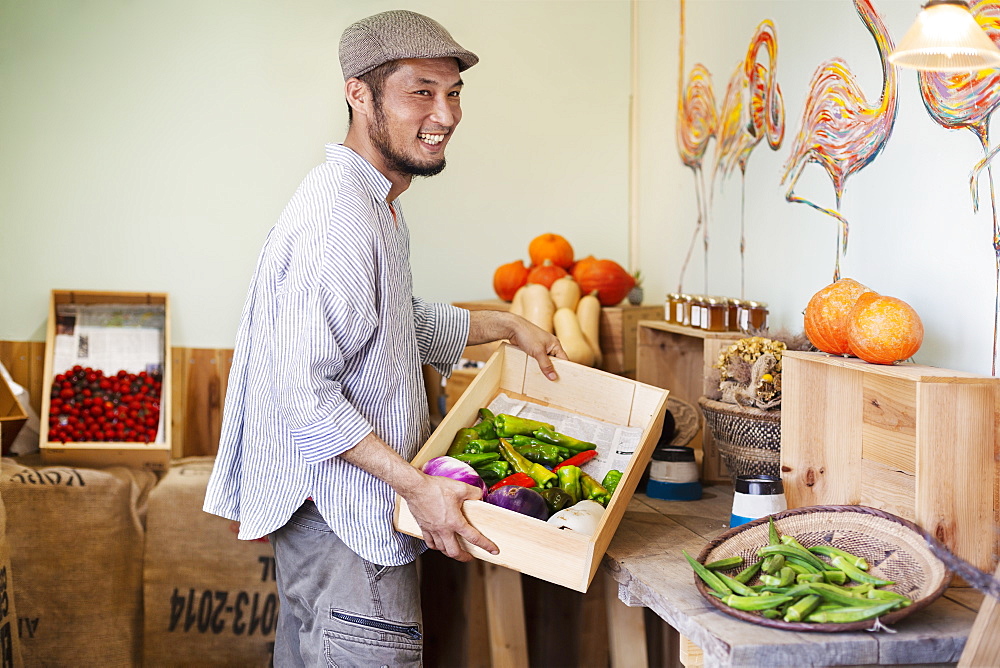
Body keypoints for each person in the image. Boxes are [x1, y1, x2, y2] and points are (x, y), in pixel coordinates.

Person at [202, 9, 566, 667]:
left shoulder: (374, 204)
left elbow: (392, 324)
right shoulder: (337, 220)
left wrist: (505, 325)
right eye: (421, 91)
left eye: (453, 93)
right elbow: (304, 397)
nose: (446, 113)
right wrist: (415, 485)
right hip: (349, 529)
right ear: (359, 93)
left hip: (345, 527)